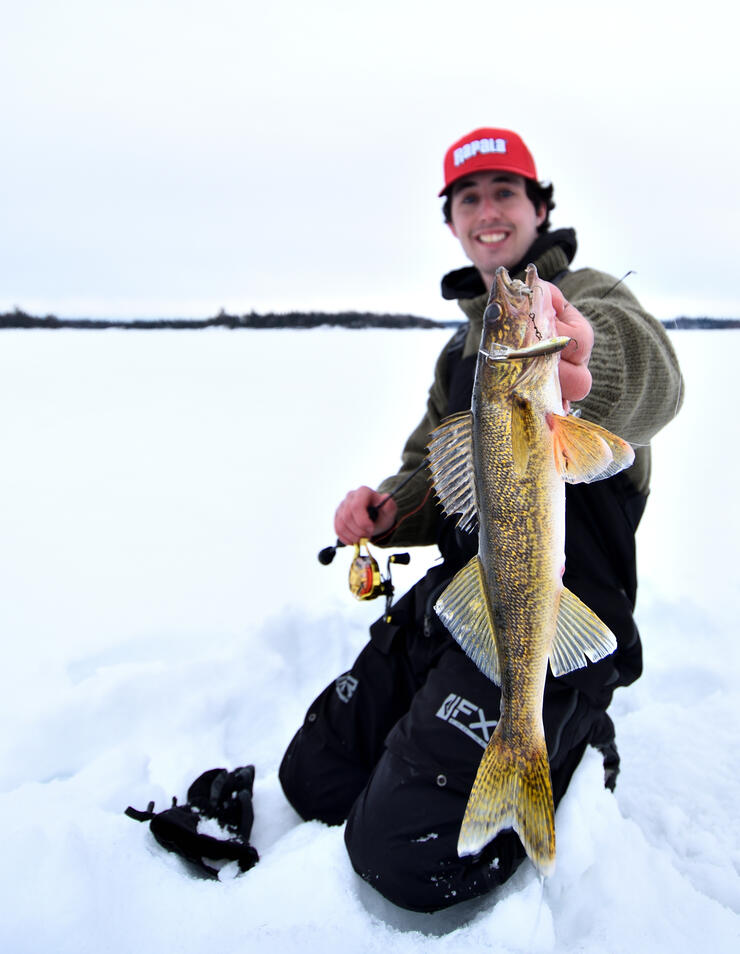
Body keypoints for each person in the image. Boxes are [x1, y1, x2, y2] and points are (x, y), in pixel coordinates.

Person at [279, 127, 684, 912]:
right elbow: (435, 469)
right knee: (313, 777)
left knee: (399, 856)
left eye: (505, 192)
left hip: (564, 605)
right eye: (470, 197)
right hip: (468, 591)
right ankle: (459, 726)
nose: (488, 211)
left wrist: (582, 365)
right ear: (452, 220)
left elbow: (655, 382)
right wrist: (387, 510)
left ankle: (566, 742)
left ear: (540, 208)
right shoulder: (461, 352)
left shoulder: (589, 300)